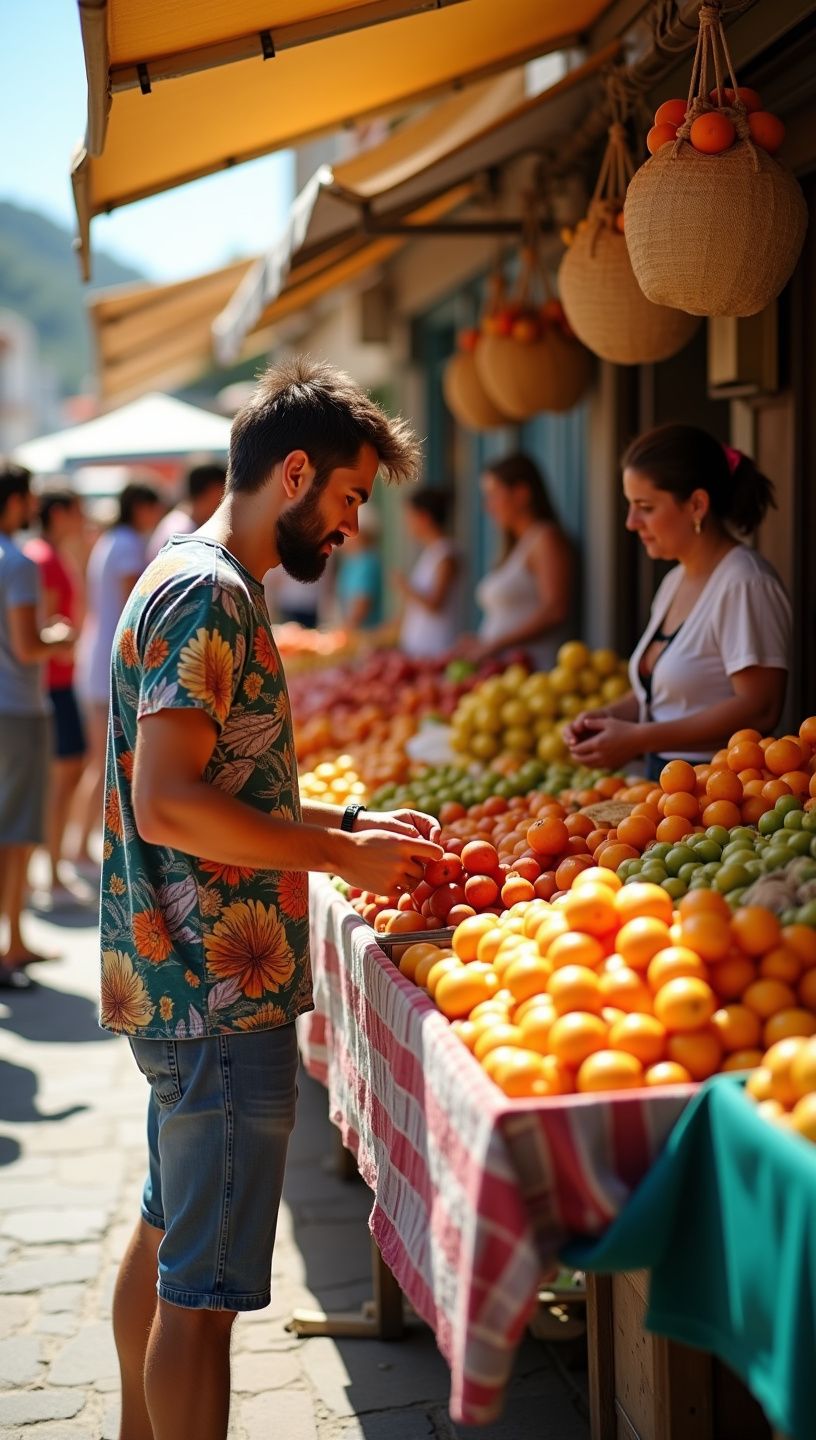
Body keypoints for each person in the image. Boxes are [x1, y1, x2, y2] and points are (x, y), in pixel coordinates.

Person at [104, 356, 442, 1440]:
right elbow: (167, 805)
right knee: (201, 1303)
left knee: (169, 1242)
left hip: (184, 984)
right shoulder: (209, 591)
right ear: (293, 473)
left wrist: (340, 830)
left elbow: (214, 784)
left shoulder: (191, 570)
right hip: (214, 996)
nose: (349, 527)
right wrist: (337, 862)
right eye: (346, 498)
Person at [564, 425, 791, 777]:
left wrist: (639, 739)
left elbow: (760, 709)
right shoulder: (674, 581)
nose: (631, 522)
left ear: (697, 505)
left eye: (645, 507)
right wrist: (607, 717)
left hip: (723, 795)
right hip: (668, 794)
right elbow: (664, 698)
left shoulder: (745, 583)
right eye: (630, 505)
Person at [0, 461, 74, 987]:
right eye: (26, 497)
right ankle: (12, 946)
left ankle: (15, 942)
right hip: (19, 707)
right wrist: (59, 635)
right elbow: (28, 646)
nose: (32, 507)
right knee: (18, 829)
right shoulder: (17, 563)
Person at [72, 480, 161, 865]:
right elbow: (135, 605)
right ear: (140, 507)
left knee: (99, 761)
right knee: (102, 762)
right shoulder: (125, 544)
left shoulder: (114, 540)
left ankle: (76, 848)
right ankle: (77, 848)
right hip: (107, 661)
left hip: (95, 657)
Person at [24, 488, 88, 898]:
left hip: (59, 682)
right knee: (57, 778)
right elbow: (42, 622)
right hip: (50, 685)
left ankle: (50, 866)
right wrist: (61, 638)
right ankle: (47, 869)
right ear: (60, 513)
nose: (83, 519)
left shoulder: (50, 553)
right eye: (77, 511)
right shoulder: (42, 557)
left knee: (65, 775)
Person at [470, 452, 572, 668]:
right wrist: (479, 643)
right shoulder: (516, 546)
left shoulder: (545, 538)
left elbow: (555, 610)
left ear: (522, 494)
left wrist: (495, 644)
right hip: (503, 673)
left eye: (494, 494)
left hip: (532, 672)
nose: (489, 506)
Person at [396, 487, 462, 659]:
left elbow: (435, 602)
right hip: (419, 649)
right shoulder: (431, 553)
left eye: (410, 516)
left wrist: (405, 587)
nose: (407, 523)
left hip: (436, 649)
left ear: (424, 518)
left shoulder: (446, 555)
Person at [146, 460, 226, 562]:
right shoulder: (182, 533)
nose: (225, 499)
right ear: (211, 491)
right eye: (222, 491)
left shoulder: (181, 522)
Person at [335, 503, 383, 629]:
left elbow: (361, 606)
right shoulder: (351, 561)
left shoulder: (367, 562)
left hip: (364, 636)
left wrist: (345, 632)